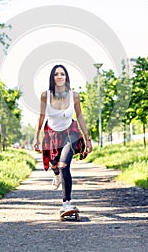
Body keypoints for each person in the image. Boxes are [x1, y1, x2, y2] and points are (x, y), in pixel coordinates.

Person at [34, 64, 92, 213]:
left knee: (64, 165)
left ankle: (66, 203)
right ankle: (56, 174)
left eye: (62, 74)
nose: (59, 76)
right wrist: (36, 137)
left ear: (66, 77)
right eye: (56, 74)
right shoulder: (45, 95)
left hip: (70, 133)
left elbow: (79, 116)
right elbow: (41, 117)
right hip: (52, 134)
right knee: (55, 164)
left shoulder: (75, 95)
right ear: (52, 78)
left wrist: (87, 138)